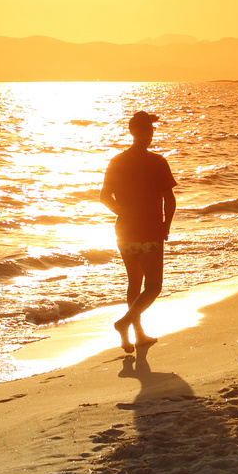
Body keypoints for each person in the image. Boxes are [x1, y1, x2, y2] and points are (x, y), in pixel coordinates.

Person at [99, 111, 177, 353]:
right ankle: (124, 323)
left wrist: (121, 211)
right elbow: (169, 199)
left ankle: (137, 335)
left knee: (134, 283)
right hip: (148, 231)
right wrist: (166, 226)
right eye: (150, 130)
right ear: (144, 132)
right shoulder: (157, 161)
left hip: (124, 230)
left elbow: (104, 196)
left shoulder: (117, 161)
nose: (152, 135)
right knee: (153, 286)